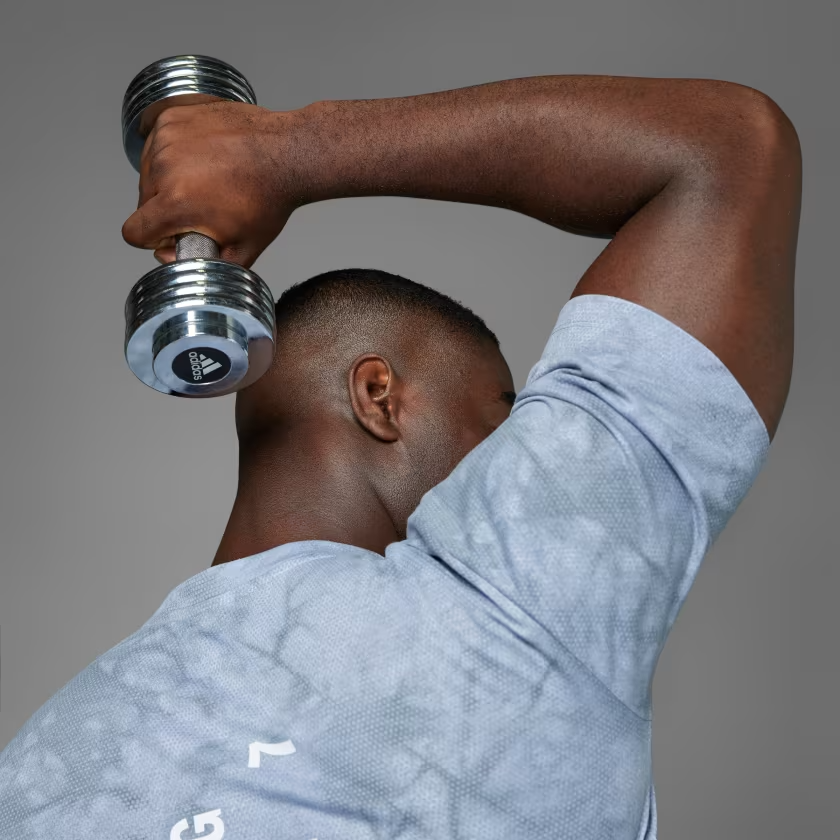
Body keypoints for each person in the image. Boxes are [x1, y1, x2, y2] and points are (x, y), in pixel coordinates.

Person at [0, 73, 800, 839]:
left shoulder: (43, 768)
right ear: (377, 397)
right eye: (503, 414)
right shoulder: (505, 610)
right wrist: (286, 153)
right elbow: (722, 151)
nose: (512, 449)